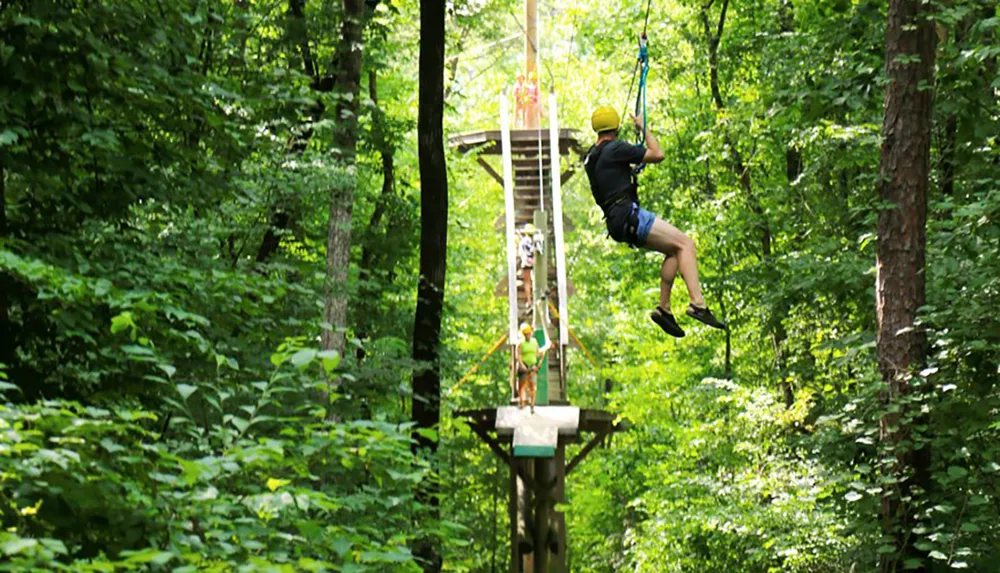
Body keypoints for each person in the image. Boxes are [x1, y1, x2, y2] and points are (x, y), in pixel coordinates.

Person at [583, 106, 726, 337]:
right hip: (628, 213)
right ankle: (698, 304)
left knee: (674, 252)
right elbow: (657, 153)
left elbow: (611, 175)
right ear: (617, 126)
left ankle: (664, 309)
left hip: (617, 221)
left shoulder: (592, 156)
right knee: (686, 244)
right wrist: (643, 127)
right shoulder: (615, 148)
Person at [515, 322, 550, 412]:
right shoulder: (520, 343)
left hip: (532, 366)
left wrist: (544, 350)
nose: (528, 335)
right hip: (523, 366)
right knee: (522, 385)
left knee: (532, 386)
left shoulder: (534, 341)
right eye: (526, 334)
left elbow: (537, 353)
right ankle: (521, 401)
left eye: (529, 333)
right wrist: (522, 365)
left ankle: (532, 405)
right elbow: (518, 356)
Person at [517, 223, 543, 302]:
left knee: (527, 281)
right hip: (534, 260)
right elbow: (538, 249)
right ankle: (538, 295)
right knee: (536, 278)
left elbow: (520, 253)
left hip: (526, 262)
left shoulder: (523, 241)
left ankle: (529, 300)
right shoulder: (535, 240)